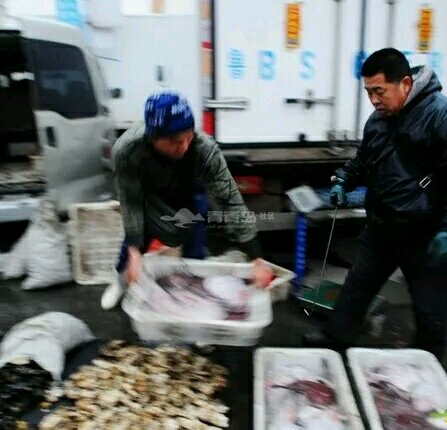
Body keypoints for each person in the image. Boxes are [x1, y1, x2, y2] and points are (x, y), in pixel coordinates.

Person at [304, 48, 447, 359]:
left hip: (425, 234)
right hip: (382, 226)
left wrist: (445, 231)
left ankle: (428, 363)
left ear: (405, 83)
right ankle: (334, 341)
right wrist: (343, 180)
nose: (373, 100)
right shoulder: (377, 121)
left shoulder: (439, 116)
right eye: (368, 92)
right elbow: (363, 162)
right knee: (357, 288)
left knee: (431, 307)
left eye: (379, 91)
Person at [101, 92, 271, 310]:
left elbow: (231, 201)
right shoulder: (127, 150)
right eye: (174, 141)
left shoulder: (204, 149)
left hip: (188, 192)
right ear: (153, 138)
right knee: (136, 234)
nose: (183, 146)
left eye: (188, 137)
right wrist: (135, 250)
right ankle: (120, 280)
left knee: (195, 234)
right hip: (148, 194)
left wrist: (256, 258)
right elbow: (131, 201)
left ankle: (193, 289)